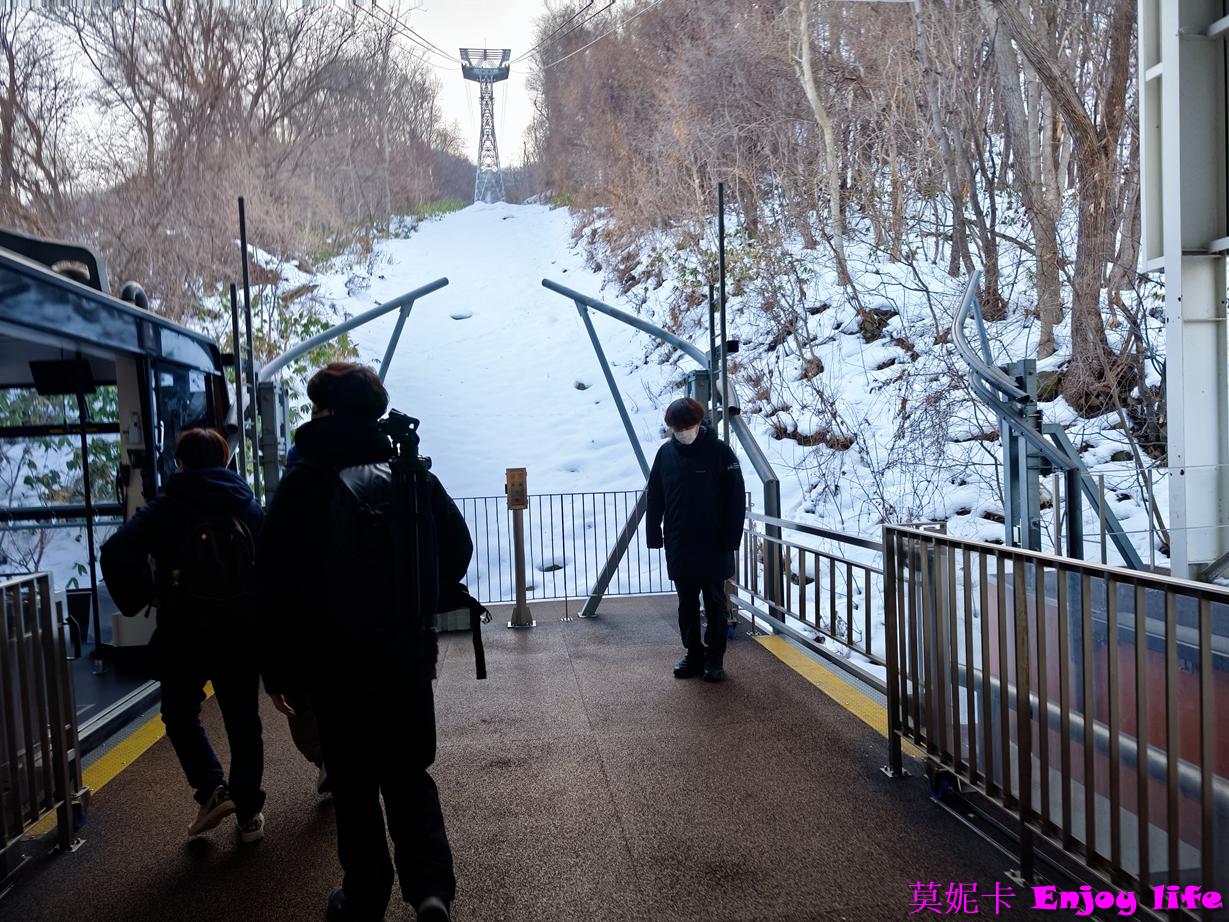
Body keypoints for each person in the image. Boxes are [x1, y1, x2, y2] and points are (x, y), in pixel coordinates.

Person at [257, 362, 472, 922]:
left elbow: (274, 580)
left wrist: (278, 670)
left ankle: (364, 896)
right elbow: (458, 548)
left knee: (353, 784)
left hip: (334, 664)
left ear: (324, 410)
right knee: (408, 774)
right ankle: (430, 894)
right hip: (404, 655)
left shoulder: (305, 480)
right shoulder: (407, 470)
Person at [100, 427, 266, 842]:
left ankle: (211, 788)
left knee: (179, 714)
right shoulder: (247, 505)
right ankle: (248, 815)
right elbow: (273, 562)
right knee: (244, 723)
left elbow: (116, 550)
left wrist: (144, 596)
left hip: (184, 628)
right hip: (240, 631)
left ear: (180, 462)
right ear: (226, 459)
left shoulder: (167, 506)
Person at [645, 397, 746, 682]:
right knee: (686, 602)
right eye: (677, 428)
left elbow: (735, 499)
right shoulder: (665, 454)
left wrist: (731, 539)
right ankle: (693, 654)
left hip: (714, 543)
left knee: (715, 602)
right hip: (680, 543)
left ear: (699, 423)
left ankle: (715, 659)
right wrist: (654, 533)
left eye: (687, 426)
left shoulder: (720, 452)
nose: (683, 432)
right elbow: (655, 496)